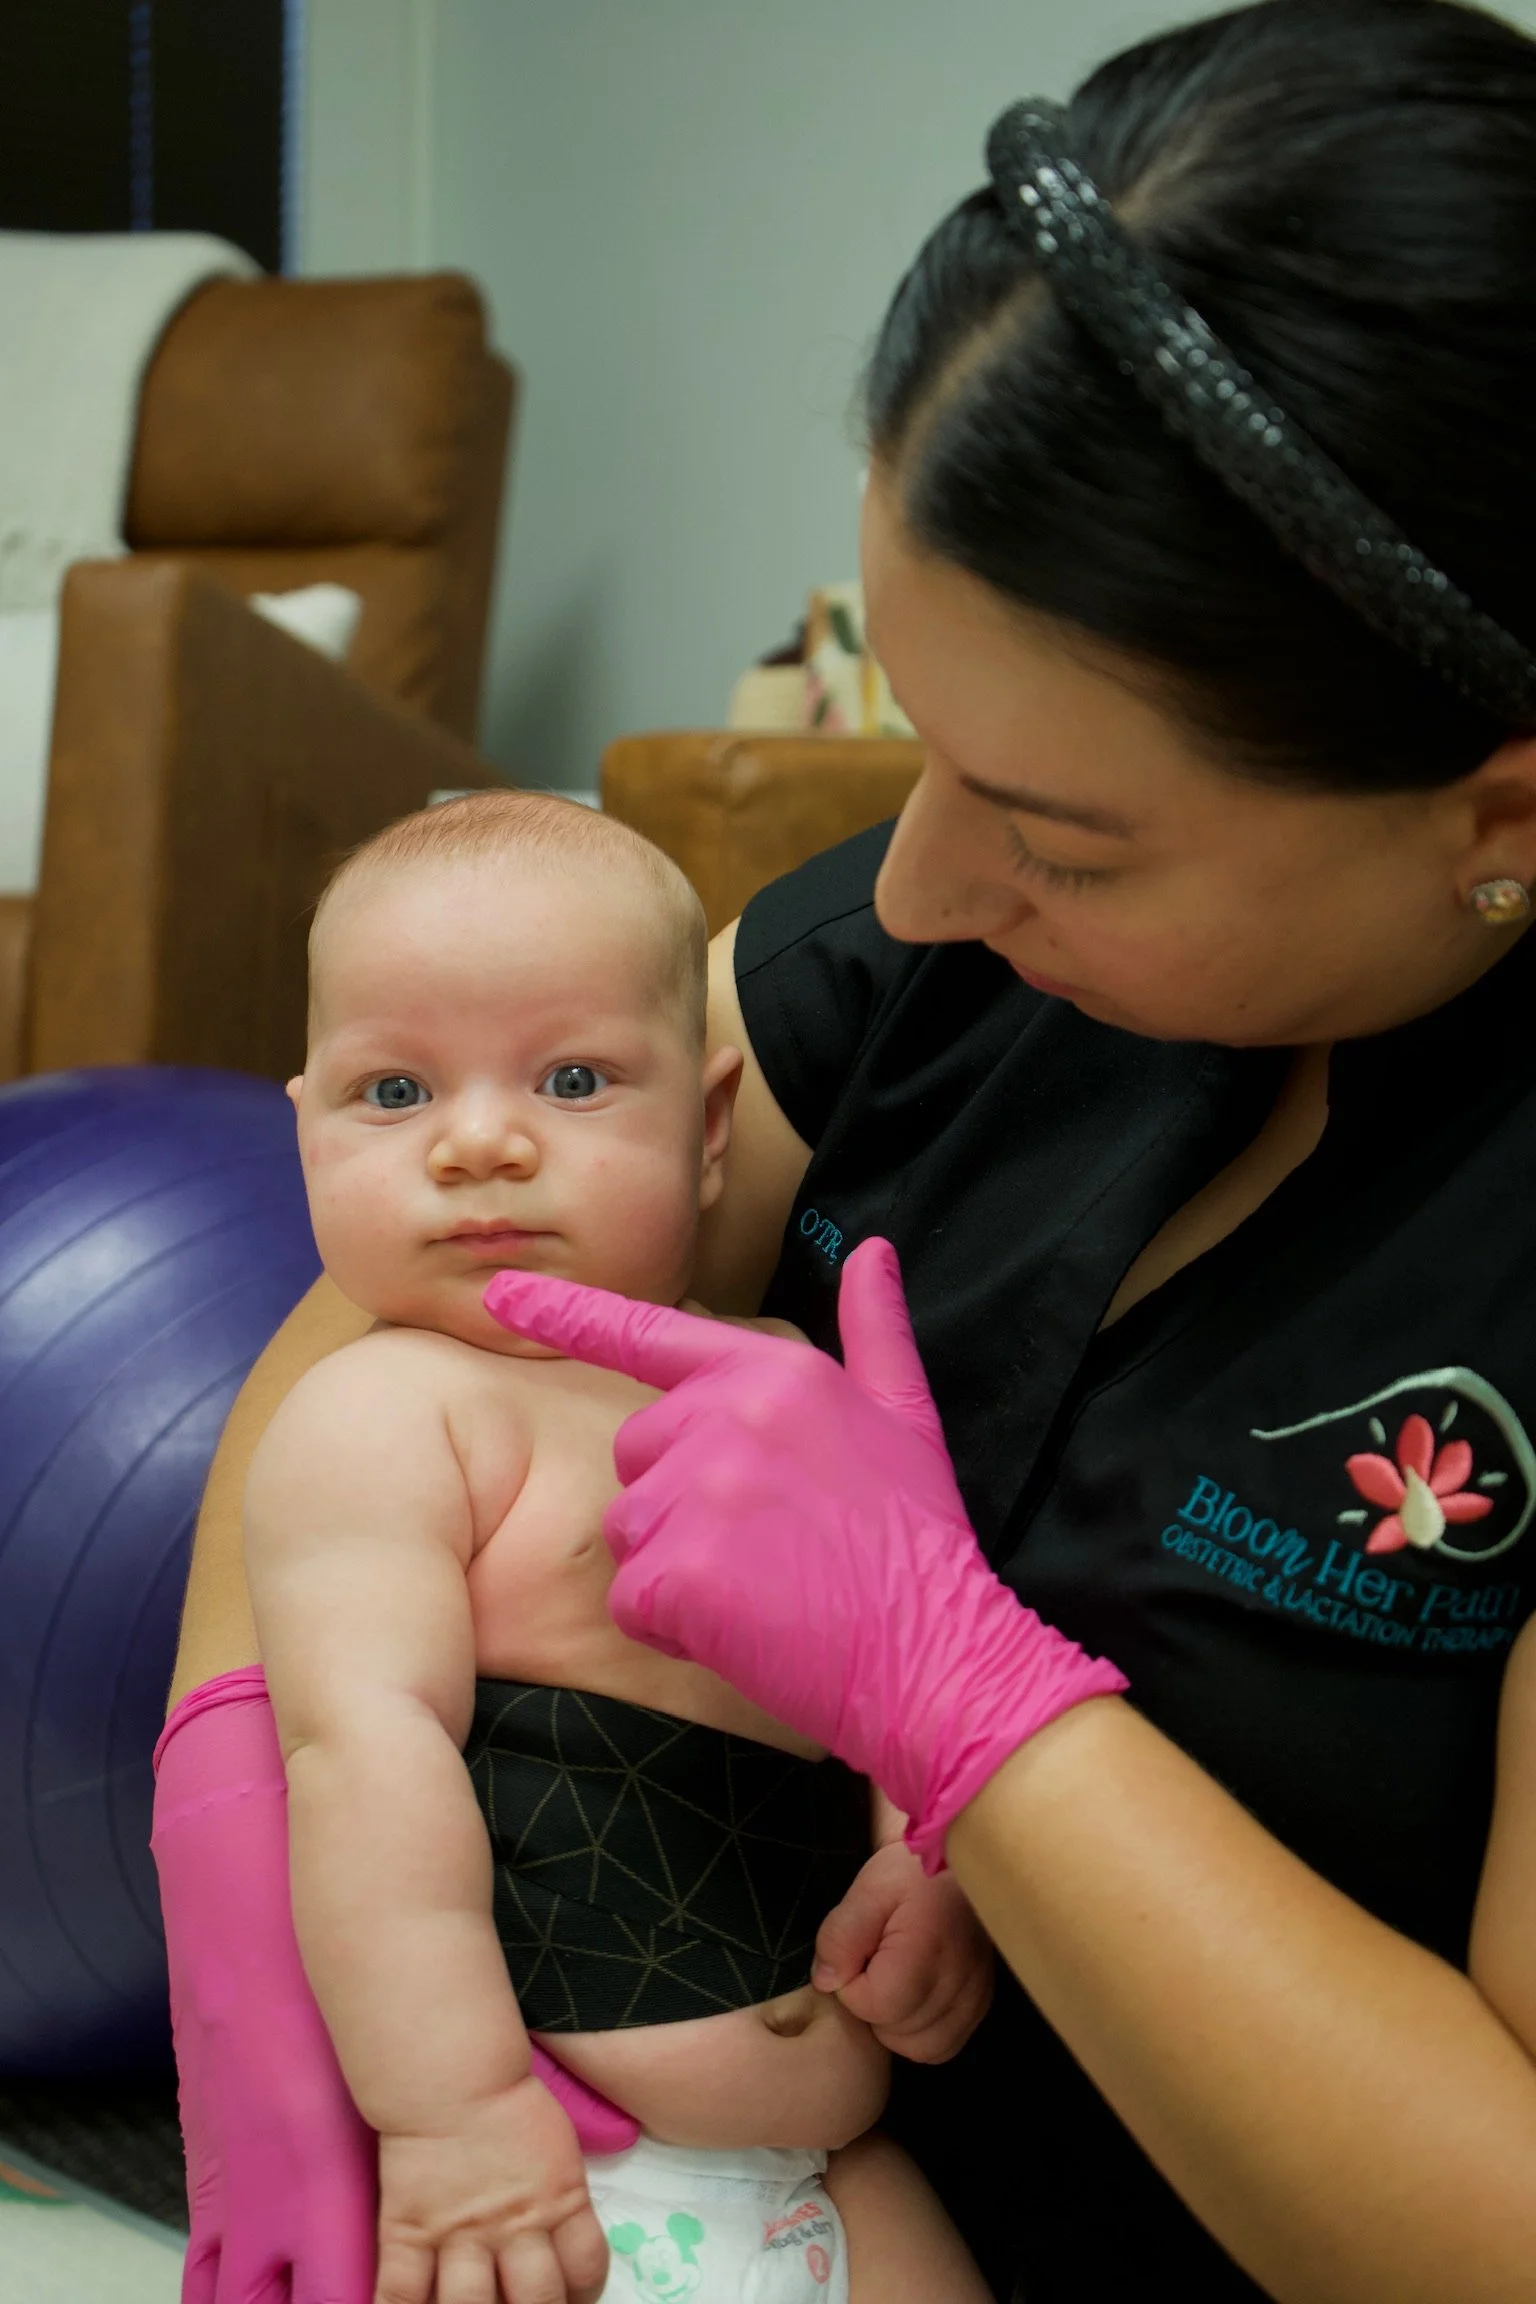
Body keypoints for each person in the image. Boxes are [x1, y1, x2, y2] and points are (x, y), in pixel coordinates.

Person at [153, 0, 1536, 2295]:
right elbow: (388, 1327)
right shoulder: (922, 961)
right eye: (924, 744)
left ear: (1497, 816)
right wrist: (256, 1910)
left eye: (1060, 838)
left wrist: (970, 1707)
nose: (905, 901)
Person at [234, 789, 990, 2304]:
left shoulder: (776, 1377)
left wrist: (930, 1859)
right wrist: (448, 2112)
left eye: (573, 1079)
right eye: (394, 1095)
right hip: (555, 2176)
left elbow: (916, 1660)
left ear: (710, 1130)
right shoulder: (388, 1417)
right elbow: (360, 1756)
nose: (482, 1145)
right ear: (306, 1130)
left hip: (837, 2163)